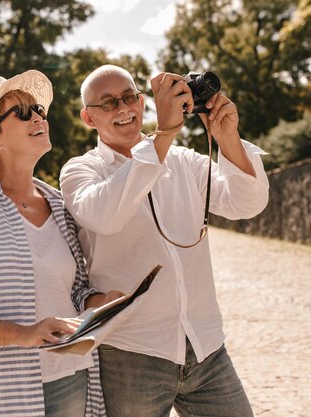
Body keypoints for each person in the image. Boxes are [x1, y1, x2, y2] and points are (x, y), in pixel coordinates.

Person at [59, 64, 270, 417]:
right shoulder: (81, 170)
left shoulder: (183, 160)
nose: (124, 109)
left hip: (205, 347)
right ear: (88, 118)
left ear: (142, 101)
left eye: (129, 97)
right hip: (132, 352)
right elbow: (105, 216)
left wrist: (226, 136)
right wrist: (165, 134)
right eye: (108, 103)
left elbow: (246, 203)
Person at [0, 70, 120, 417]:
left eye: (39, 109)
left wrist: (102, 301)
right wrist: (24, 334)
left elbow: (74, 291)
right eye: (22, 112)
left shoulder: (60, 206)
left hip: (70, 379)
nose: (39, 117)